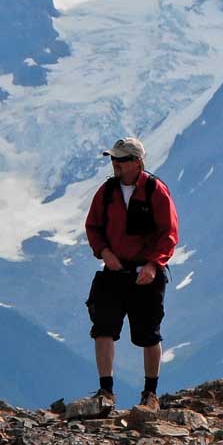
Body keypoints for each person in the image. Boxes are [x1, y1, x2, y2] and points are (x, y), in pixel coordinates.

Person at [83, 136, 178, 414]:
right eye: (113, 159)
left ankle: (151, 393)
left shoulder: (155, 190)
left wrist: (153, 265)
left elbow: (169, 234)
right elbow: (93, 227)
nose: (115, 165)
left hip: (146, 274)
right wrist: (103, 252)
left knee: (149, 335)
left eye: (121, 160)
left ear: (136, 162)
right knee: (102, 328)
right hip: (114, 271)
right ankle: (106, 391)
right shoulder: (107, 191)